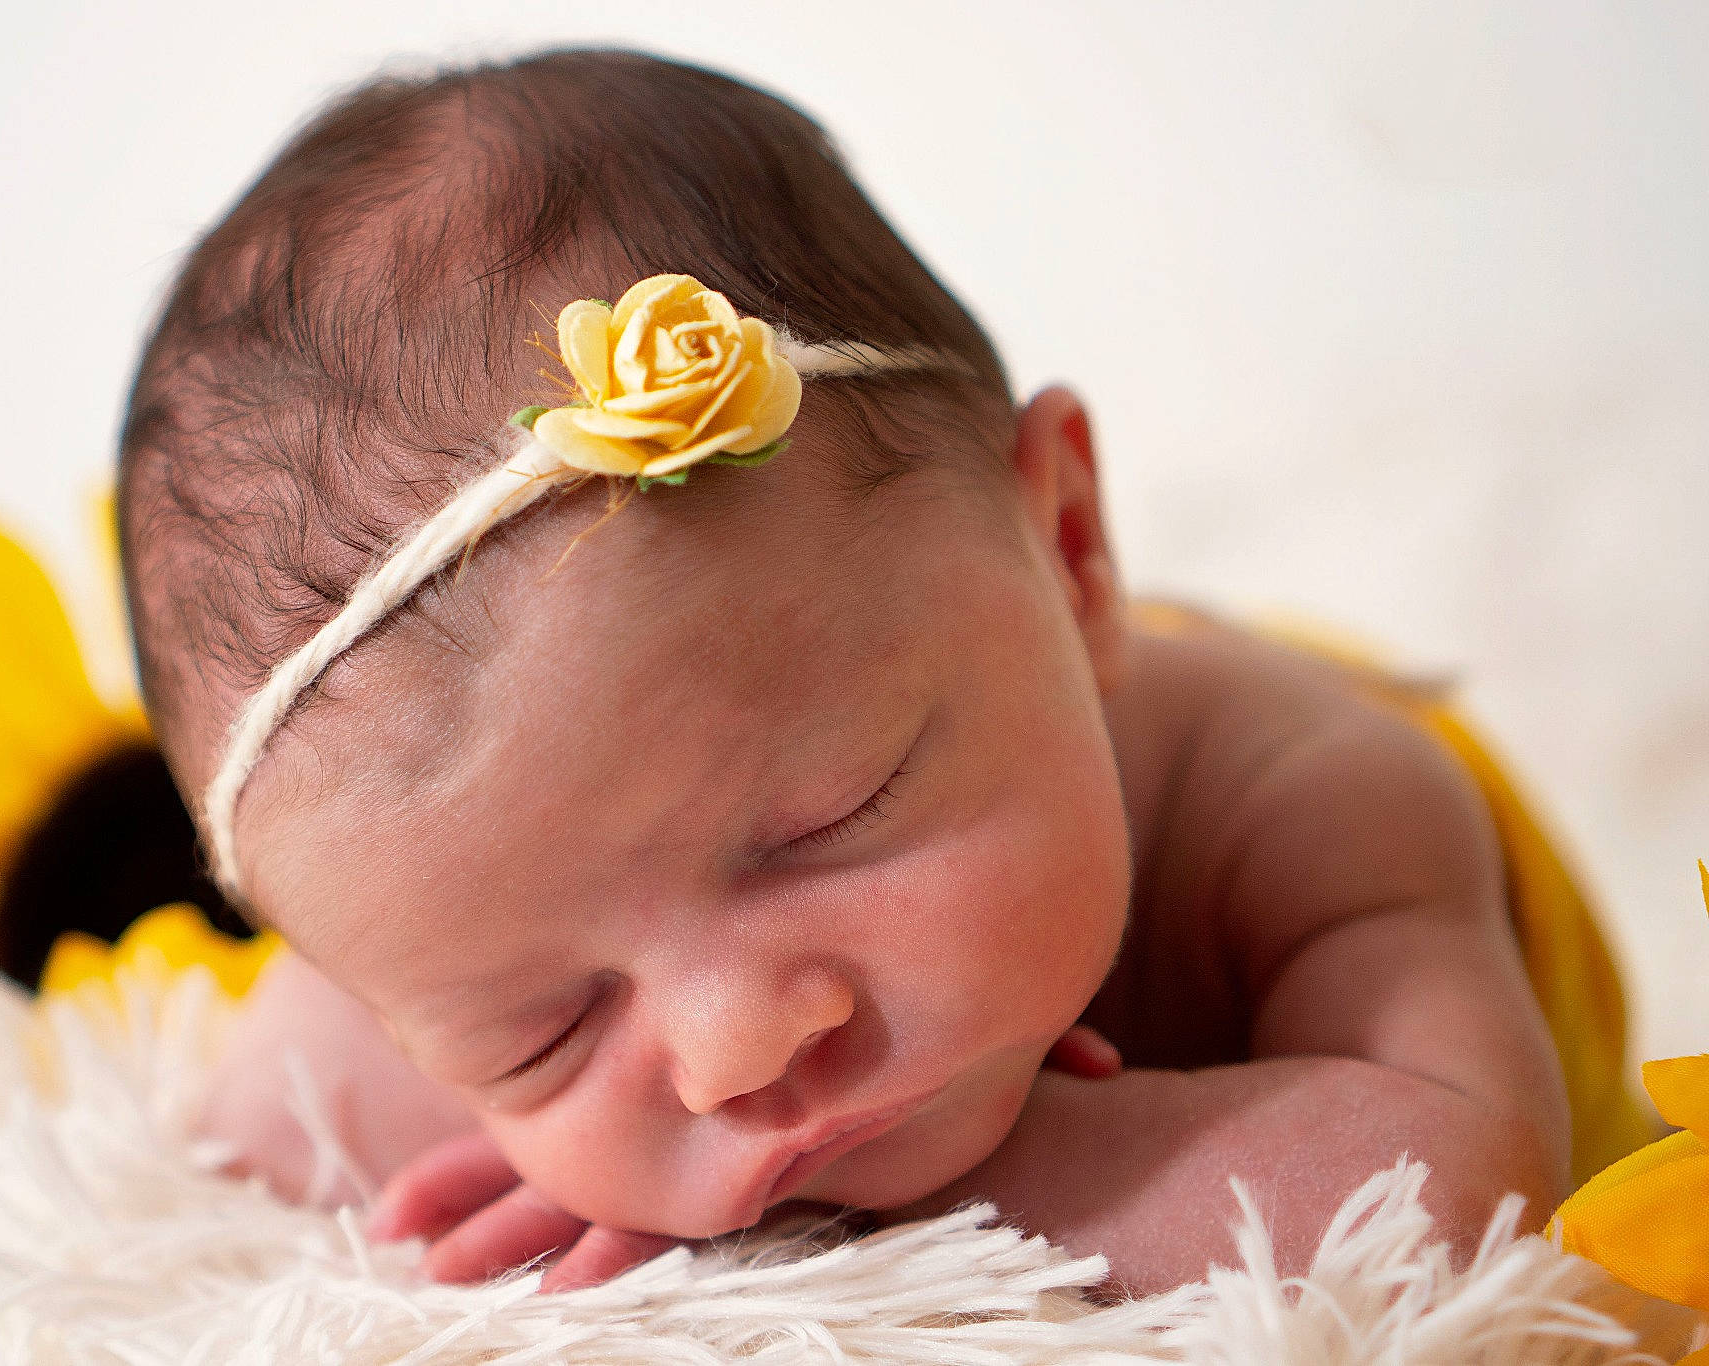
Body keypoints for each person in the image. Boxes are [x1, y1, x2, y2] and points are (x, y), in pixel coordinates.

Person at [114, 47, 1644, 1298]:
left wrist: (907, 1204)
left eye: (830, 815)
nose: (736, 1051)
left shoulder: (1314, 797)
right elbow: (248, 1132)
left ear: (1066, 547)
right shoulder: (469, 904)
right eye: (547, 1022)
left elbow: (1460, 1191)